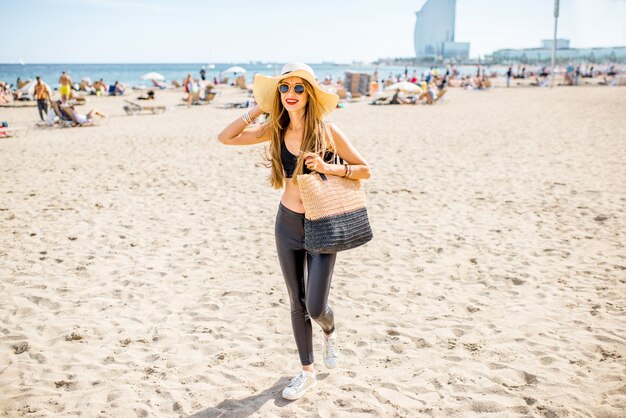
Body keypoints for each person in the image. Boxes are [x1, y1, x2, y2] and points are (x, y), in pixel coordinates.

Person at [217, 63, 371, 401]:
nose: (291, 94)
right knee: (296, 302)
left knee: (316, 307)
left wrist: (329, 166)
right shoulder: (274, 129)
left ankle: (330, 331)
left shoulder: (328, 131)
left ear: (310, 94)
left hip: (323, 222)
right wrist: (260, 106)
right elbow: (225, 138)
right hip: (287, 223)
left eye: (299, 88)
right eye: (284, 88)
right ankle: (307, 372)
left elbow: (364, 170)